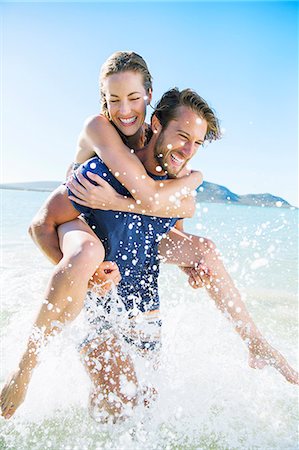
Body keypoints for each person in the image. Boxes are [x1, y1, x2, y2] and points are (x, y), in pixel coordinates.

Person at [1, 87, 298, 423]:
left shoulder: (178, 185)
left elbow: (167, 235)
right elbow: (40, 225)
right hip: (99, 302)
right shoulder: (104, 173)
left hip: (144, 304)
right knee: (119, 401)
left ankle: (254, 342)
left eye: (197, 143)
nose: (188, 150)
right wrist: (86, 274)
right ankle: (24, 371)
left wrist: (193, 270)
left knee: (143, 409)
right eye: (182, 136)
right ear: (156, 124)